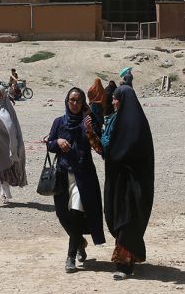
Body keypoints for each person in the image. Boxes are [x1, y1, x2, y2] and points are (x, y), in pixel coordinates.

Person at [46, 87, 105, 273]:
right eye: (71, 100)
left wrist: (89, 128)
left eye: (78, 100)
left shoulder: (88, 121)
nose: (74, 104)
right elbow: (50, 144)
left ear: (83, 103)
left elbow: (99, 144)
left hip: (83, 174)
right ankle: (79, 241)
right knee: (62, 214)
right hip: (63, 175)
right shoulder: (59, 122)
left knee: (76, 213)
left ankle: (70, 257)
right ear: (66, 101)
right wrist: (58, 142)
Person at [101, 85, 154, 280]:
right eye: (113, 98)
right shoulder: (117, 120)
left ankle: (124, 264)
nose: (113, 102)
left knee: (127, 220)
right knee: (119, 218)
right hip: (118, 180)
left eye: (117, 99)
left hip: (133, 183)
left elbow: (128, 151)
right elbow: (109, 150)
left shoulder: (135, 123)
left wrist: (114, 154)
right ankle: (130, 257)